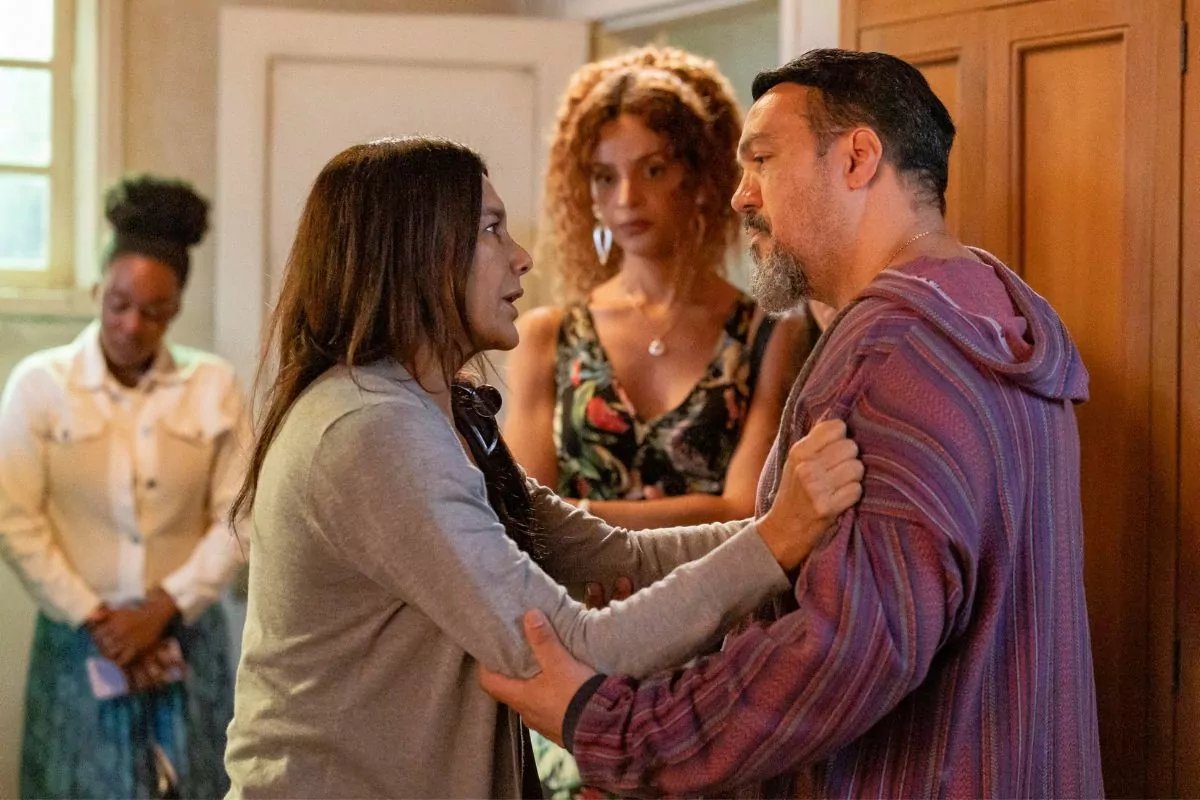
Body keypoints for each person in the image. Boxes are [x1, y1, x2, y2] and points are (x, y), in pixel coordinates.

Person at [482, 49, 1103, 798]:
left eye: (763, 160)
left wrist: (612, 724)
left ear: (857, 159)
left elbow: (843, 650)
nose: (741, 195)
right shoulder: (989, 308)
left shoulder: (889, 356)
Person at [220, 136, 863, 799]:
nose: (521, 257)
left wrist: (793, 527)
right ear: (417, 251)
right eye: (491, 230)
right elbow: (575, 650)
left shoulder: (434, 414)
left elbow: (619, 556)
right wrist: (774, 541)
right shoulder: (369, 429)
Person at [0, 175, 248, 797]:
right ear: (97, 291)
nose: (132, 325)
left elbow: (238, 516)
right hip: (81, 643)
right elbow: (13, 517)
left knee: (192, 783)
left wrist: (164, 607)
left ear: (177, 308)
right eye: (118, 304)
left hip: (185, 642)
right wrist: (98, 618)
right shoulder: (40, 386)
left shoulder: (212, 386)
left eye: (154, 312)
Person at [505, 47, 819, 531]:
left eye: (652, 170)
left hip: (720, 584)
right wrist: (692, 513)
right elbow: (523, 517)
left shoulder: (769, 334)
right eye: (605, 177)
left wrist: (580, 515)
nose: (626, 198)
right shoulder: (547, 336)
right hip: (567, 587)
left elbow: (747, 513)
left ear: (700, 178)